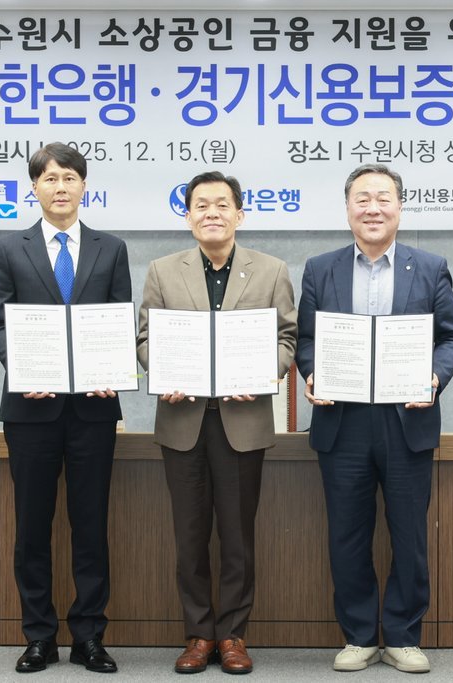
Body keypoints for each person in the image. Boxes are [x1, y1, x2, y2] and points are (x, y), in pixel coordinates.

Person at [296, 163, 453, 674]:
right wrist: (312, 371)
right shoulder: (320, 268)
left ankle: (403, 636)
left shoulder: (430, 267)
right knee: (347, 535)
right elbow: (306, 339)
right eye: (362, 199)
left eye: (383, 198)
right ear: (348, 208)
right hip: (342, 422)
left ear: (399, 207)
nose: (373, 208)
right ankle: (358, 637)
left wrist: (433, 378)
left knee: (409, 535)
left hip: (407, 421)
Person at [136, 171, 297, 675]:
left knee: (237, 537)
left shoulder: (270, 270)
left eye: (222, 205)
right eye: (201, 205)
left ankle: (232, 635)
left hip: (241, 422)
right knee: (189, 537)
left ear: (239, 214)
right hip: (182, 421)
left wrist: (264, 372)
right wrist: (163, 371)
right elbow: (145, 339)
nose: (212, 213)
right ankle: (198, 634)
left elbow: (287, 338)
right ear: (188, 216)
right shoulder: (163, 271)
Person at [0, 143, 129, 674]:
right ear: (35, 188)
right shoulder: (9, 248)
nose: (60, 187)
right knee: (32, 528)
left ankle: (90, 636)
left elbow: (119, 318)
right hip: (30, 411)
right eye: (49, 178)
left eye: (69, 177)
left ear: (83, 185)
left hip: (93, 410)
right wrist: (24, 370)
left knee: (91, 527)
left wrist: (113, 368)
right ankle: (39, 636)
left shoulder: (111, 248)